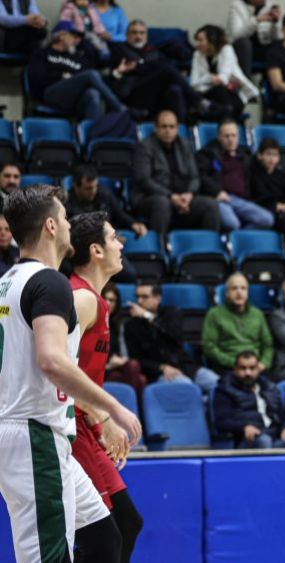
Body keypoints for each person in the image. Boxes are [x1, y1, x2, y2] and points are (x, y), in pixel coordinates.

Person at [0, 185, 141, 563]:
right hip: (35, 434)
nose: (68, 224)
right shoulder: (50, 283)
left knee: (105, 538)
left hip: (41, 433)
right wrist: (113, 407)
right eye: (63, 217)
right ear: (50, 226)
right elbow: (53, 361)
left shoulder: (7, 282)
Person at [68, 212, 144, 562]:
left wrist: (99, 423)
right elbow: (60, 372)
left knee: (127, 524)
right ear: (96, 250)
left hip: (86, 424)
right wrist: (106, 418)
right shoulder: (80, 299)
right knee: (105, 539)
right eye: (114, 237)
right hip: (70, 427)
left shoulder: (96, 301)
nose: (121, 243)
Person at [132, 110, 222, 233]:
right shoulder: (144, 147)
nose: (168, 130)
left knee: (210, 205)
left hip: (183, 198)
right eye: (164, 127)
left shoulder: (185, 145)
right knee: (162, 203)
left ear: (177, 128)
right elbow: (144, 180)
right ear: (156, 128)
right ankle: (159, 248)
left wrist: (189, 194)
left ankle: (208, 248)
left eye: (171, 127)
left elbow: (195, 177)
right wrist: (171, 196)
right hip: (150, 199)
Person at [109, 20, 215, 123]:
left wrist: (139, 66)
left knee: (175, 89)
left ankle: (180, 130)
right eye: (134, 33)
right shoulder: (119, 48)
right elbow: (119, 72)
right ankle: (198, 101)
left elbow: (162, 67)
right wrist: (145, 67)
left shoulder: (153, 50)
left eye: (142, 33)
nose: (138, 36)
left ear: (146, 35)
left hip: (154, 95)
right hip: (133, 94)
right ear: (127, 35)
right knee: (166, 70)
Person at [27, 21, 126, 121]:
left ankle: (93, 133)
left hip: (73, 98)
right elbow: (35, 77)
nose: (77, 40)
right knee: (90, 74)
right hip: (50, 94)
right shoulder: (42, 53)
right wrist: (61, 75)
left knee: (92, 93)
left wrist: (116, 73)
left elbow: (96, 81)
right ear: (61, 35)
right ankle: (120, 109)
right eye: (73, 36)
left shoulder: (77, 58)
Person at [214, 350, 285, 449]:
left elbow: (283, 415)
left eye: (252, 368)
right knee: (264, 440)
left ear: (258, 368)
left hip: (275, 439)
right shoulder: (225, 389)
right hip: (248, 441)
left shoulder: (269, 387)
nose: (248, 373)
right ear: (235, 369)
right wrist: (243, 427)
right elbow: (222, 422)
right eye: (243, 368)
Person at [197, 119, 275, 231]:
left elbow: (257, 176)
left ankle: (240, 238)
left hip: (242, 200)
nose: (231, 140)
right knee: (232, 224)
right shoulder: (208, 153)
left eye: (234, 136)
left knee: (267, 220)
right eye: (226, 136)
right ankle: (236, 239)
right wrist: (216, 192)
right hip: (221, 199)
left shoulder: (245, 154)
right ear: (219, 137)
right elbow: (201, 175)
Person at [200, 272, 274, 391]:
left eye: (243, 288)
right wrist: (235, 364)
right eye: (234, 288)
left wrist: (263, 364)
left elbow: (268, 345)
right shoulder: (214, 314)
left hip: (257, 370)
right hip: (227, 369)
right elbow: (209, 347)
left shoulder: (257, 314)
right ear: (227, 293)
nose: (239, 292)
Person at [122, 282, 201, 386]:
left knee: (215, 382)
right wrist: (162, 368)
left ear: (157, 299)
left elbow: (175, 336)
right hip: (158, 372)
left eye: (144, 297)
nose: (139, 301)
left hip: (185, 366)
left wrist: (147, 316)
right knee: (185, 385)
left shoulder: (173, 313)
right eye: (137, 297)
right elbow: (136, 358)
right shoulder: (131, 325)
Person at [191, 24, 259, 121]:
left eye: (200, 40)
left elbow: (222, 79)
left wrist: (204, 81)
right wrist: (209, 78)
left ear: (211, 41)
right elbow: (193, 83)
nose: (197, 44)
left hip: (232, 95)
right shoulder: (197, 55)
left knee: (221, 92)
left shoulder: (227, 50)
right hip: (209, 95)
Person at [65, 164, 148, 240]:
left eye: (95, 186)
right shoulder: (67, 203)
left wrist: (133, 224)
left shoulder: (105, 194)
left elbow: (119, 215)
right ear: (76, 186)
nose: (93, 191)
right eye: (88, 188)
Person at [100, 282, 148, 401]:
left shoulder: (117, 324)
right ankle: (135, 415)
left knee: (138, 375)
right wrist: (109, 362)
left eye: (112, 300)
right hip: (101, 369)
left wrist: (120, 360)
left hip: (116, 367)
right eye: (105, 299)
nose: (108, 303)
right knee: (138, 375)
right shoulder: (94, 322)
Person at [228, 0, 281, 77]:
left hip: (263, 48)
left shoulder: (270, 6)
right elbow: (236, 36)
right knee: (244, 44)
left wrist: (275, 23)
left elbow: (277, 38)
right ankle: (246, 85)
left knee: (281, 45)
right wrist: (257, 20)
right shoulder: (236, 6)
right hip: (242, 49)